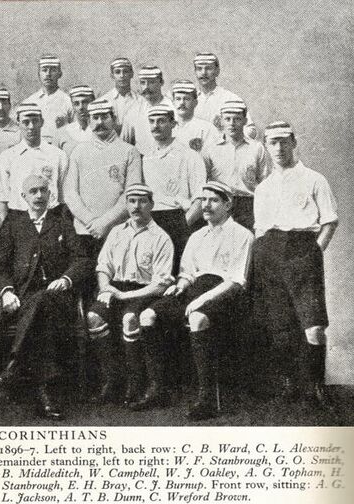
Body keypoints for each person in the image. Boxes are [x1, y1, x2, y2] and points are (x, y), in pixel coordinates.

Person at [142, 181, 253, 419]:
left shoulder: (242, 235)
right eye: (203, 200)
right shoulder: (196, 236)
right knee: (148, 315)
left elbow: (236, 281)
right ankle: (158, 388)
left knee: (197, 318)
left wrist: (202, 300)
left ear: (228, 205)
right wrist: (180, 286)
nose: (206, 205)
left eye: (213, 200)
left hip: (226, 293)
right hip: (195, 288)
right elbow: (187, 273)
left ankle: (207, 398)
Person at [253, 121, 338, 416]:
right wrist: (265, 253)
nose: (278, 148)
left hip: (303, 249)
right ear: (266, 146)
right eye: (272, 143)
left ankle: (316, 387)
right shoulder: (263, 187)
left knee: (313, 326)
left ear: (293, 142)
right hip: (269, 251)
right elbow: (260, 229)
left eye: (283, 142)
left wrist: (313, 252)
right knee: (280, 326)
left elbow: (330, 221)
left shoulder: (314, 179)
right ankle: (289, 384)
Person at [0, 175, 93, 420]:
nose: (38, 195)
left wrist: (66, 279)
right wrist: (7, 291)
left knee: (43, 301)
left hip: (59, 297)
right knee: (41, 312)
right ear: (23, 197)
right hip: (23, 297)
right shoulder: (13, 225)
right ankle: (46, 391)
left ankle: (15, 362)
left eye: (43, 191)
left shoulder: (62, 223)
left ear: (50, 194)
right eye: (33, 191)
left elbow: (82, 259)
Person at [85, 184, 174, 406]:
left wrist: (124, 297)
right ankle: (112, 380)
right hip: (116, 287)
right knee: (94, 317)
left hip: (145, 291)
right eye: (132, 201)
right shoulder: (116, 232)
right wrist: (105, 288)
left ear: (151, 205)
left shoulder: (161, 237)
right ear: (126, 204)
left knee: (129, 318)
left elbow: (160, 285)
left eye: (142, 201)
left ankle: (135, 383)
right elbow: (103, 266)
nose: (136, 206)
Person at [64, 98, 142, 260]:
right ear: (89, 121)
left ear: (114, 119)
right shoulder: (78, 151)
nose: (100, 122)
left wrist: (105, 222)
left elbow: (131, 193)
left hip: (118, 230)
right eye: (95, 117)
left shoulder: (129, 151)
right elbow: (70, 193)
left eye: (105, 117)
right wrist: (92, 222)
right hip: (85, 231)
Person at [142, 104, 206, 275]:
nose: (155, 126)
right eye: (152, 121)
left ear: (173, 124)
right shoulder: (146, 158)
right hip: (151, 223)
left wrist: (182, 227)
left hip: (179, 221)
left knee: (178, 275)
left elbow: (200, 199)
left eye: (161, 121)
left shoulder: (190, 155)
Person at [0, 102, 68, 226]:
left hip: (51, 220)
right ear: (18, 123)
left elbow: (64, 199)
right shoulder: (7, 157)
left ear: (42, 122)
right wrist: (6, 231)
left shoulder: (58, 155)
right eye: (26, 122)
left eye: (35, 121)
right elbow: (1, 200)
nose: (31, 126)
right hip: (19, 220)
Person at [202, 99, 271, 230]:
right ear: (221, 121)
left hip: (248, 206)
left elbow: (265, 183)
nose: (232, 123)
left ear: (245, 121)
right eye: (227, 119)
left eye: (237, 119)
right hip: (219, 204)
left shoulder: (257, 148)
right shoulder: (210, 148)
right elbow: (202, 181)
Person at [192, 52, 256, 139]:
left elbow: (251, 131)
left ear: (217, 71)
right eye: (199, 69)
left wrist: (226, 134)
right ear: (195, 72)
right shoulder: (187, 100)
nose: (203, 73)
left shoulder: (231, 99)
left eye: (209, 68)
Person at [121, 65, 173, 154]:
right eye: (143, 83)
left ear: (161, 82)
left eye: (151, 82)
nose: (146, 87)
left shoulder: (173, 108)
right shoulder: (133, 111)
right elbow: (124, 146)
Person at [25, 54, 73, 144]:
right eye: (44, 70)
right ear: (39, 74)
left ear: (60, 74)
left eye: (53, 70)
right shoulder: (30, 102)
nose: (48, 74)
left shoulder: (68, 102)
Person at [171, 79, 218, 153]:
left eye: (187, 99)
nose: (182, 103)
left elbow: (216, 156)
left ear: (195, 102)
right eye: (178, 99)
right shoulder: (167, 128)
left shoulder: (207, 128)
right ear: (173, 102)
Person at [53, 84, 96, 157]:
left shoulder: (102, 131)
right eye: (76, 103)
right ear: (72, 106)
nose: (81, 107)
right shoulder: (61, 134)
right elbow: (54, 160)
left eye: (85, 102)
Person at [100, 57, 140, 129]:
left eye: (125, 71)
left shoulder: (141, 101)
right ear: (112, 75)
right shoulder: (104, 101)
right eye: (117, 72)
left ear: (132, 74)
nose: (122, 75)